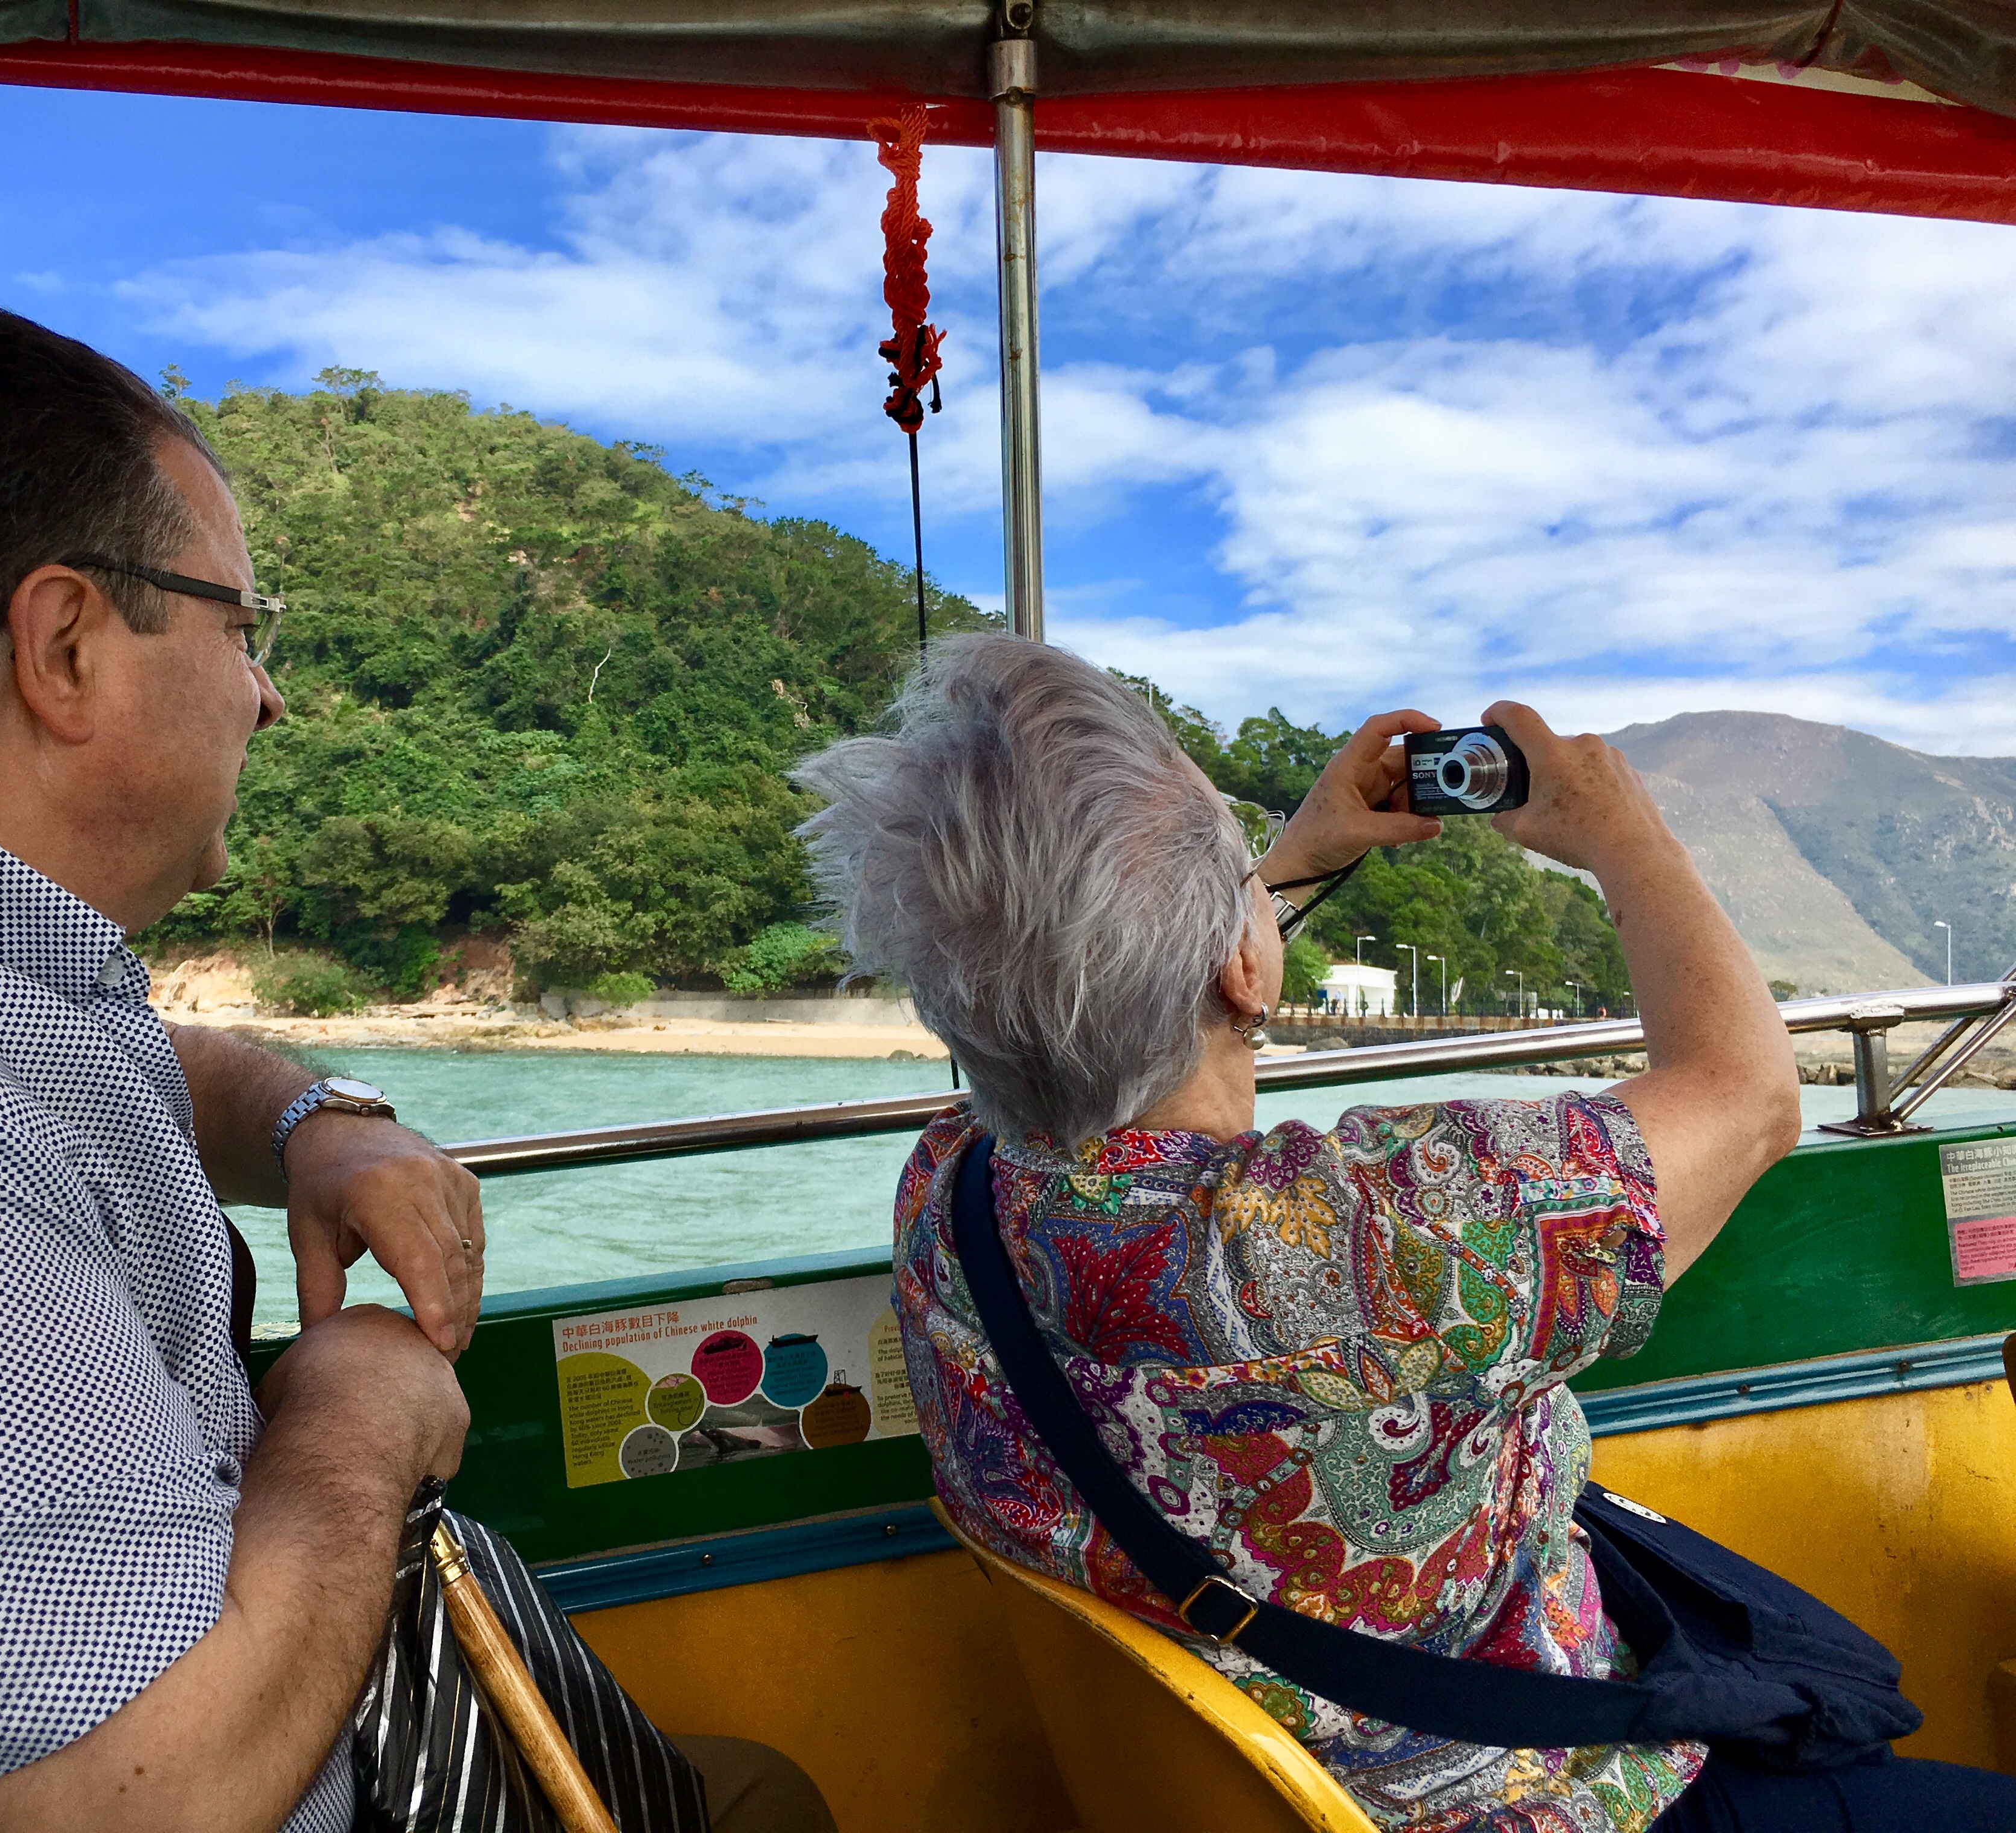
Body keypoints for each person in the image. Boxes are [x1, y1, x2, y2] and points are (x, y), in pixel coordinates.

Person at [0, 296, 827, 1833]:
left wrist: (312, 1121)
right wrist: (357, 1411)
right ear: (66, 645)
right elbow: (139, 1801)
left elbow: (126, 1064)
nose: (271, 694)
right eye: (245, 629)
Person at [793, 634, 2016, 1833]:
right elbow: (1749, 1098)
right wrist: (1620, 831)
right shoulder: (1379, 1234)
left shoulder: (951, 1194)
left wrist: (1292, 861)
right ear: (1242, 965)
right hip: (1538, 1797)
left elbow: (1082, 1006)